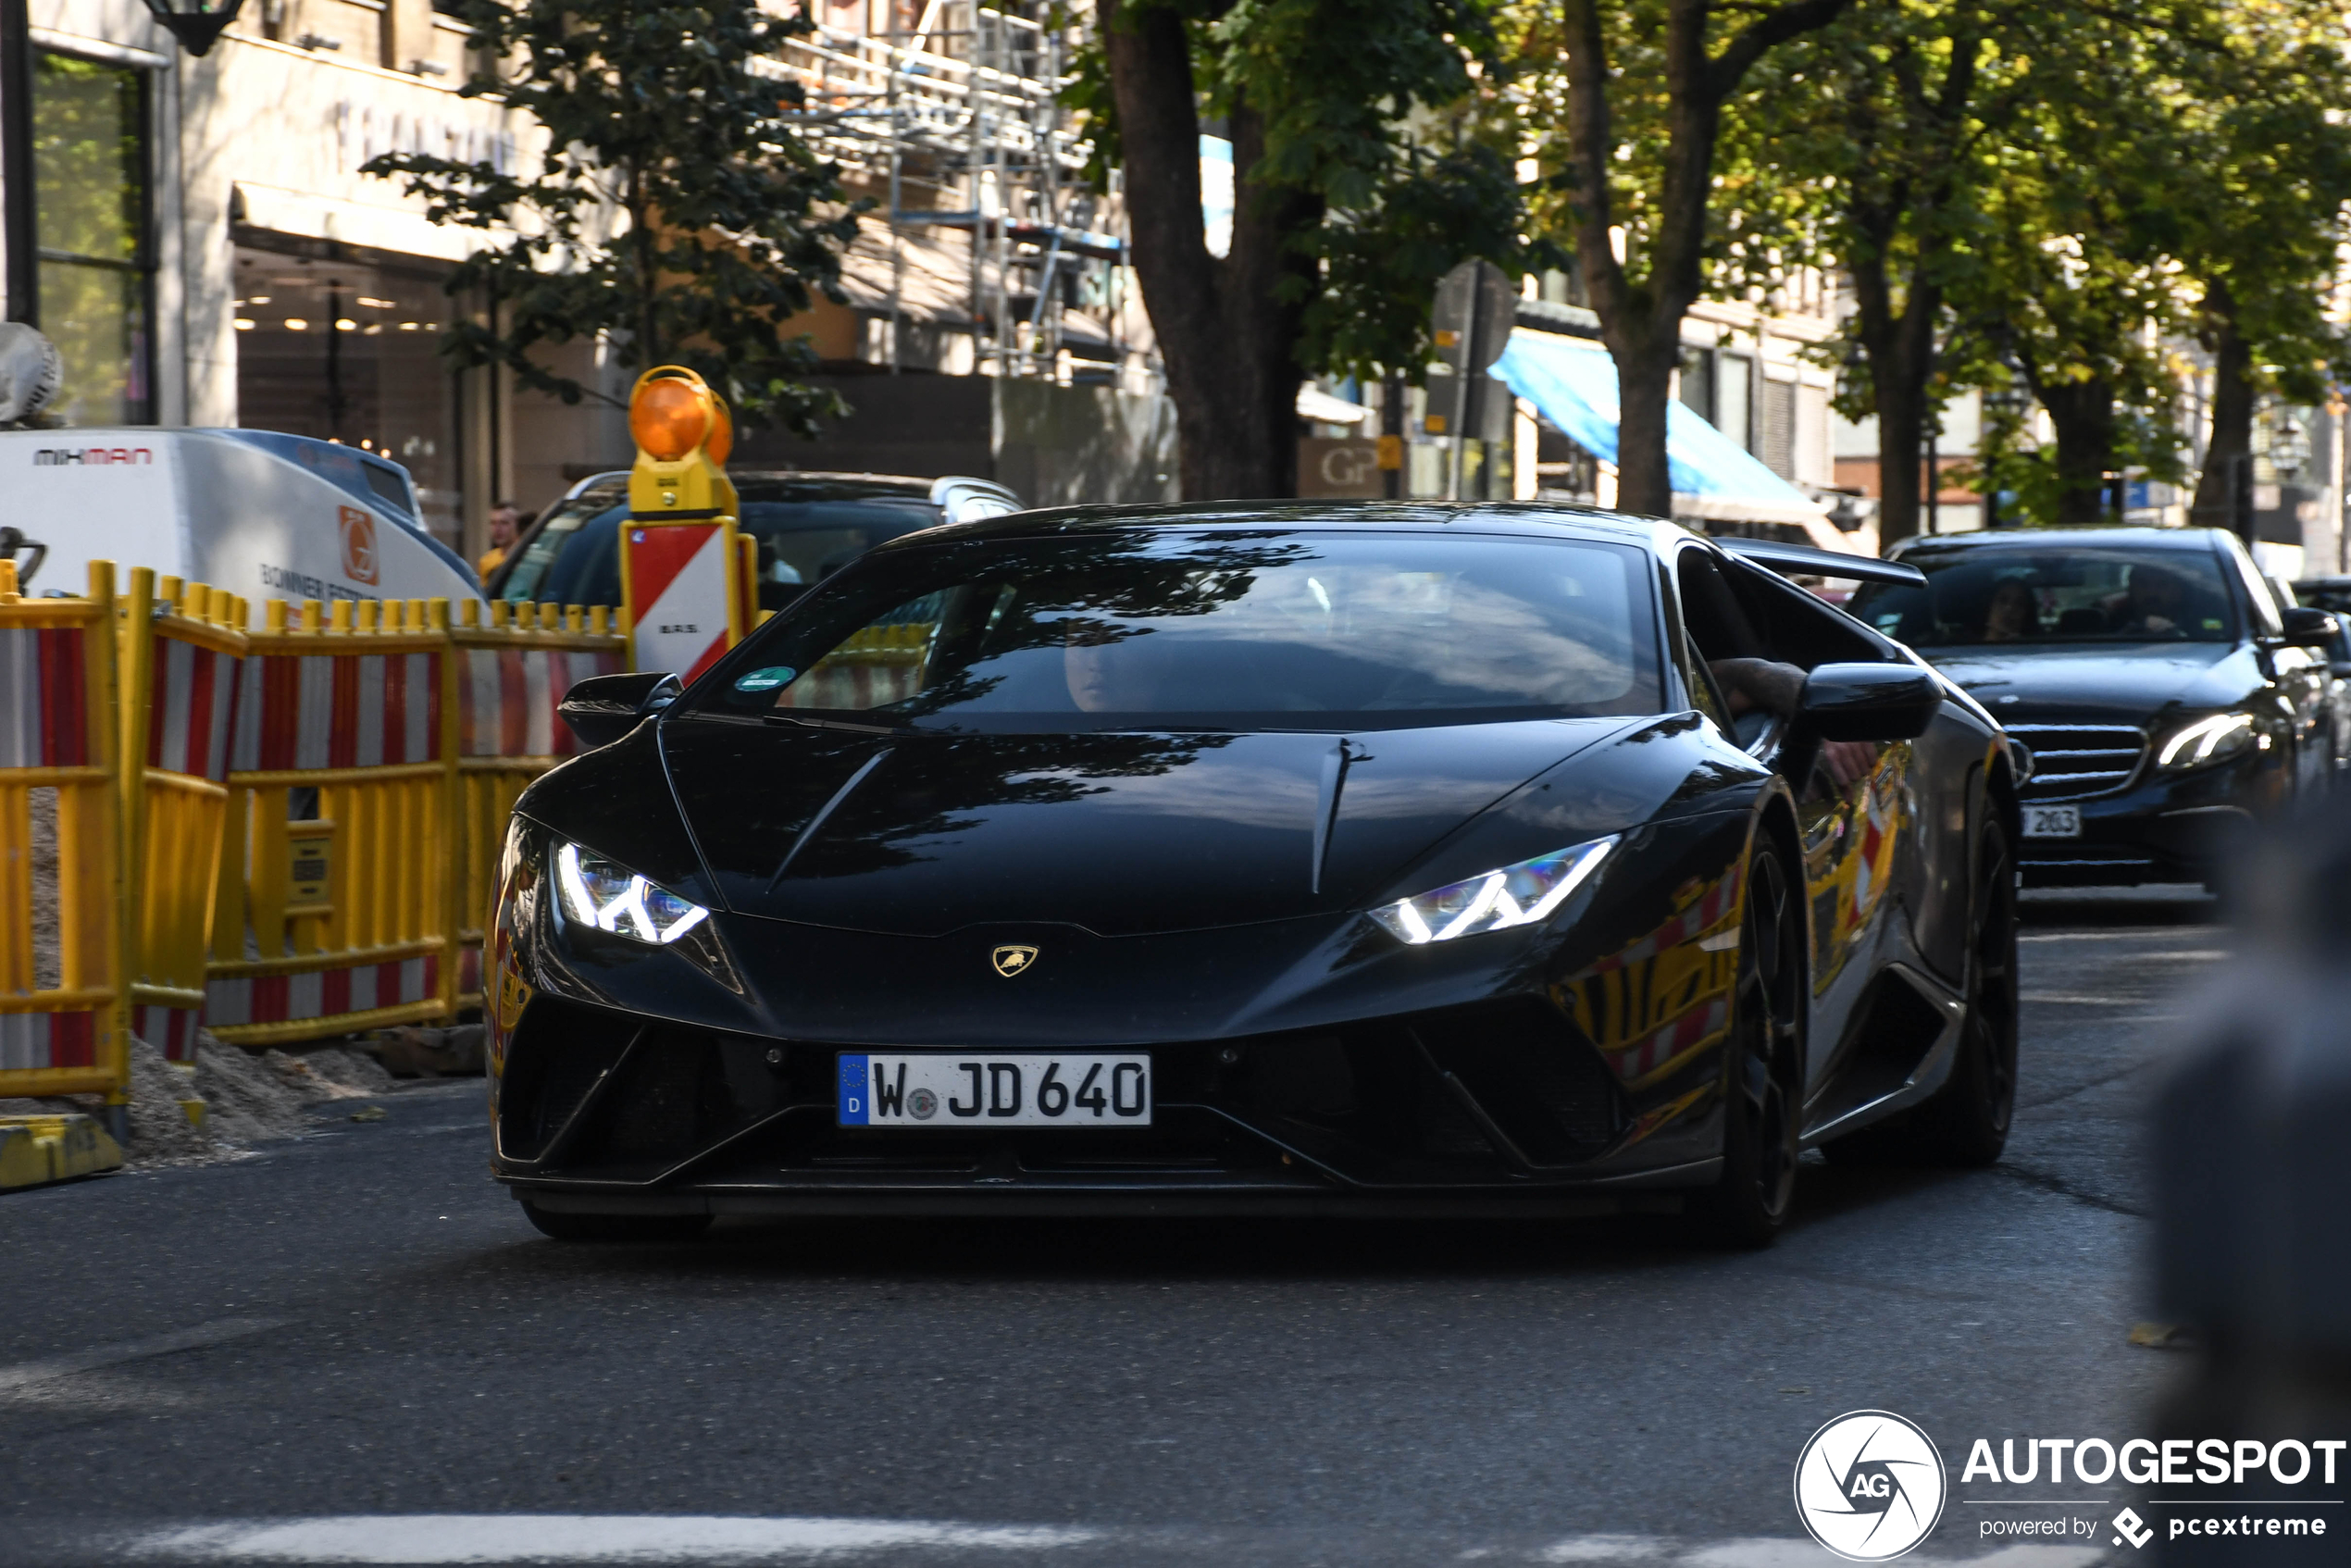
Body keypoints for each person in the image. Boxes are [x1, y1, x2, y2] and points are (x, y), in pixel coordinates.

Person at [2111, 562, 2190, 637]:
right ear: (2131, 588)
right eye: (2143, 584)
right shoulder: (2110, 620)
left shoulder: (2194, 622)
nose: (2151, 593)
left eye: (2162, 584)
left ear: (2177, 591)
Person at [477, 500, 521, 581]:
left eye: (504, 523)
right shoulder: (486, 561)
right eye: (493, 523)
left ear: (517, 525)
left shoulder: (528, 558)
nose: (497, 528)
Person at [1982, 578, 2037, 642]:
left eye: (2019, 604)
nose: (2010, 609)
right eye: (2003, 600)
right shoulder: (1969, 647)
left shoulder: (2035, 650)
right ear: (1989, 606)